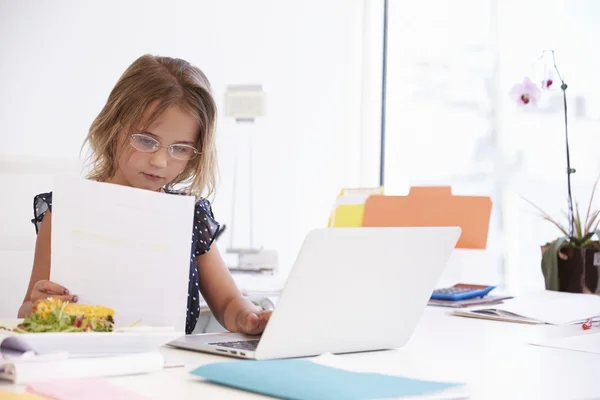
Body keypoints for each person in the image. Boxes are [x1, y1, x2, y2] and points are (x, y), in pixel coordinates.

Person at [17, 54, 271, 335]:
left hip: (169, 367)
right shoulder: (68, 209)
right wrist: (40, 304)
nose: (161, 161)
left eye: (180, 148)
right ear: (114, 128)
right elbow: (27, 310)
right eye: (146, 141)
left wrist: (249, 316)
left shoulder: (188, 216)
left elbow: (228, 303)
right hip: (84, 362)